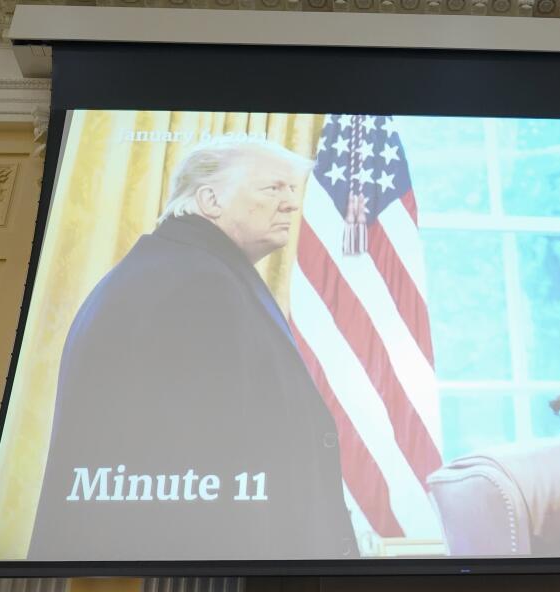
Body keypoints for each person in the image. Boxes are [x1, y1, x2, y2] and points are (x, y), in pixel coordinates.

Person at [28, 136, 357, 561]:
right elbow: (205, 469)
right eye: (273, 188)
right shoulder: (198, 284)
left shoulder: (176, 269)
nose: (291, 203)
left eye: (292, 190)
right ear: (209, 199)